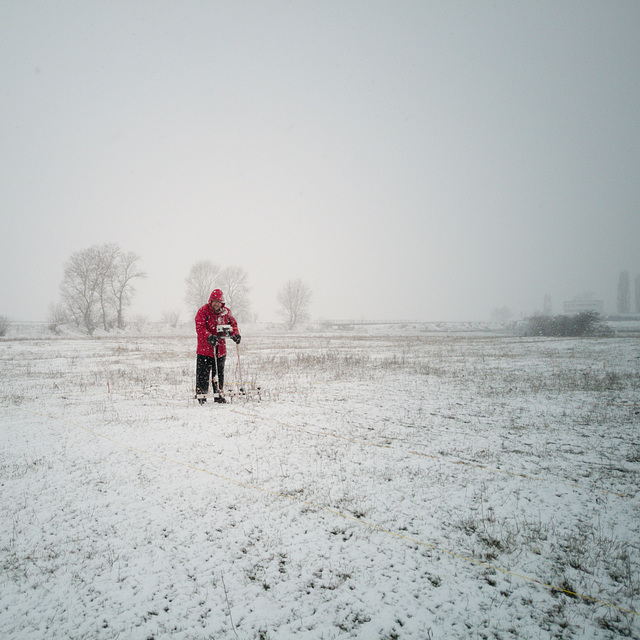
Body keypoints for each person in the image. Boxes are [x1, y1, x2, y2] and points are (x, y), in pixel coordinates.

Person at [195, 289, 241, 404]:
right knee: (203, 375)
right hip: (205, 350)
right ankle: (201, 395)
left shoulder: (226, 312)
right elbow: (200, 328)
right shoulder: (203, 311)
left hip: (220, 350)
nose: (216, 304)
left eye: (219, 302)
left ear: (222, 303)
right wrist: (209, 336)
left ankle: (219, 395)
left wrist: (235, 334)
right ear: (210, 301)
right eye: (214, 301)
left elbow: (233, 325)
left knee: (219, 374)